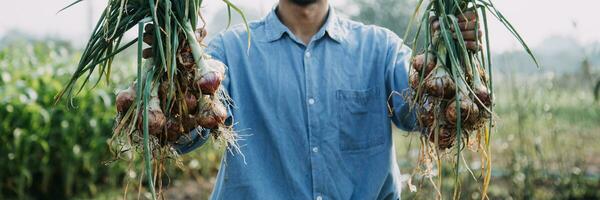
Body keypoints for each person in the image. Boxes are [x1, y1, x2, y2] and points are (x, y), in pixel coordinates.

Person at [146, 0, 480, 199]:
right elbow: (187, 134)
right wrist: (173, 75)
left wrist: (452, 59)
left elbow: (425, 114)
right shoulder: (228, 52)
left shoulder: (380, 49)